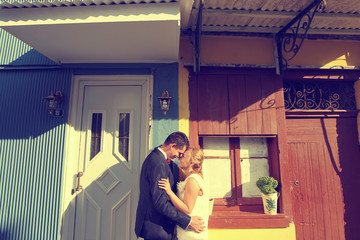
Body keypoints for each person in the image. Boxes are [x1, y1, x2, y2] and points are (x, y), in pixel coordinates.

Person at [135, 132, 205, 240]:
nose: (178, 156)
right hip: (157, 227)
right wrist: (188, 221)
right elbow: (160, 202)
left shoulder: (165, 163)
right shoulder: (157, 163)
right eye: (179, 153)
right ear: (172, 146)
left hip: (164, 228)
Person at [158, 147, 209, 240]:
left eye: (183, 156)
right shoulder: (190, 178)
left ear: (191, 163)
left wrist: (169, 192)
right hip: (189, 230)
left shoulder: (192, 181)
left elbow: (187, 209)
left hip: (192, 233)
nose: (179, 158)